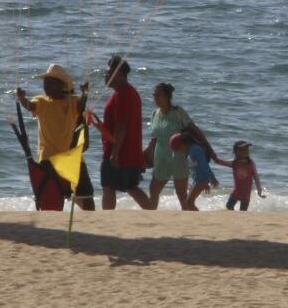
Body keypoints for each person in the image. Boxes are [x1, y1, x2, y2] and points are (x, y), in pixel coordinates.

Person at [16, 64, 94, 211]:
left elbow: (81, 107)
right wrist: (22, 98)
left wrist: (85, 93)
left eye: (50, 82)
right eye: (45, 82)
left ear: (61, 85)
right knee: (52, 200)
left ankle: (89, 225)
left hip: (71, 157)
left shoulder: (72, 102)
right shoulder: (42, 101)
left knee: (87, 198)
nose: (46, 85)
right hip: (49, 158)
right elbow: (30, 106)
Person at [95, 55, 154, 210]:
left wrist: (114, 153)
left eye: (108, 72)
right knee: (130, 186)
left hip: (120, 152)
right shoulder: (127, 92)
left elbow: (121, 127)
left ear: (119, 74)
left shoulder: (123, 94)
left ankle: (107, 219)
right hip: (128, 152)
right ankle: (152, 213)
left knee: (109, 186)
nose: (105, 75)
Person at [142, 83, 210, 211]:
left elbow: (196, 131)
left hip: (178, 158)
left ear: (167, 97)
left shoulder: (178, 112)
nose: (155, 98)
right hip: (160, 158)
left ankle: (194, 221)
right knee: (153, 189)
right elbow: (154, 139)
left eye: (159, 95)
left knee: (182, 196)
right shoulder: (155, 114)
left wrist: (209, 151)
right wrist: (144, 155)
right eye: (154, 95)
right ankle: (150, 217)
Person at [213, 141, 265, 211]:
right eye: (242, 150)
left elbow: (256, 177)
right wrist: (214, 158)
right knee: (229, 206)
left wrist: (259, 190)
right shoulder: (234, 163)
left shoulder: (251, 163)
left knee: (243, 211)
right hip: (236, 191)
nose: (245, 151)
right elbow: (223, 162)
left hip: (246, 193)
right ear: (235, 152)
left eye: (246, 149)